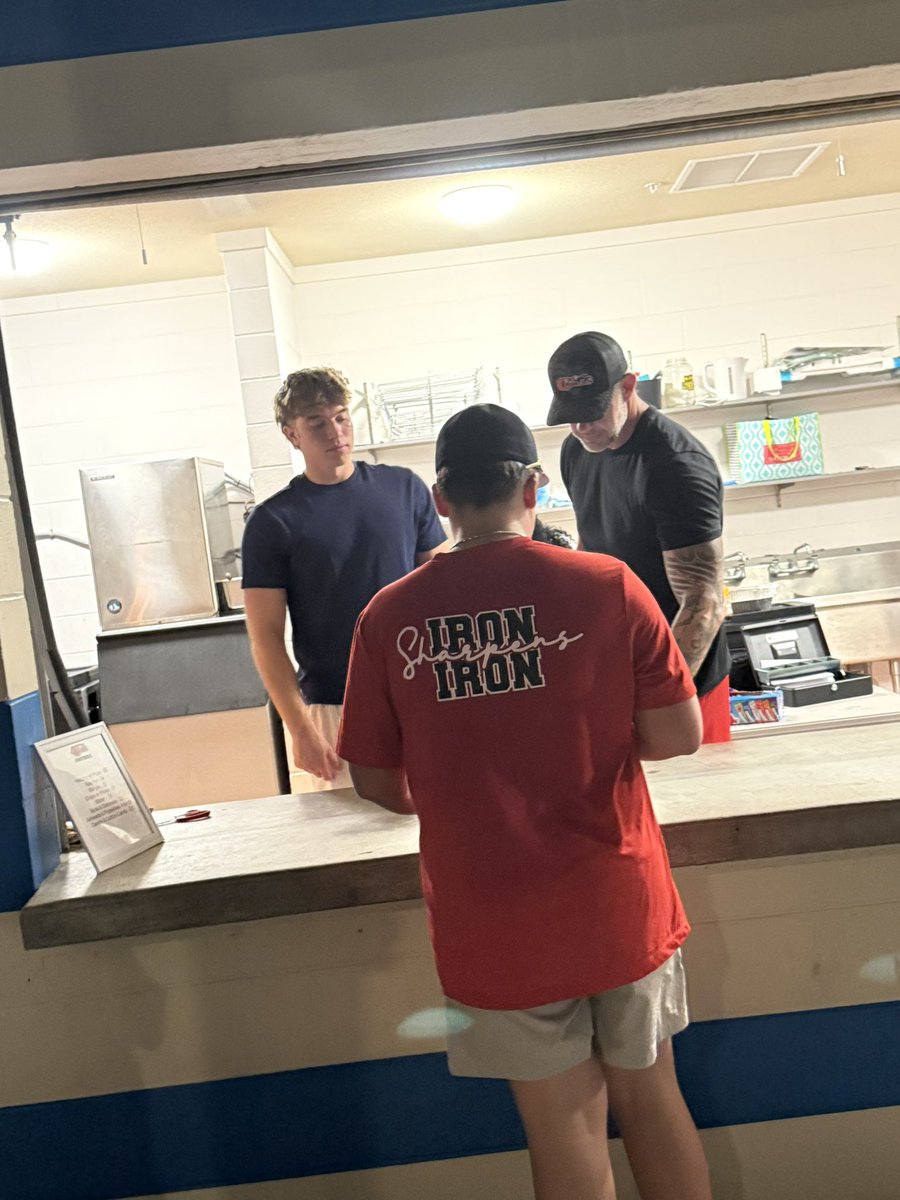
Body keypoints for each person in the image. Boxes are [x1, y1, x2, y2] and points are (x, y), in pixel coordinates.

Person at [337, 404, 712, 1200]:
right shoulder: (609, 585)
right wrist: (589, 745)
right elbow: (679, 734)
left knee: (563, 1129)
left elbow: (374, 778)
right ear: (537, 486)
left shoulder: (389, 616)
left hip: (494, 915)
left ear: (441, 500)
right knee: (653, 1103)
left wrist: (452, 781)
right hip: (617, 898)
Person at [241, 367, 446, 788]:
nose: (335, 431)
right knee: (353, 844)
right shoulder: (272, 521)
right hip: (335, 708)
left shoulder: (405, 489)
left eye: (341, 417)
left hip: (421, 695)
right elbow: (264, 638)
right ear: (291, 434)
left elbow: (442, 594)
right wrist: (299, 728)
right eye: (316, 423)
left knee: (434, 835)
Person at [546, 331, 730, 743]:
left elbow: (704, 603)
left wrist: (659, 700)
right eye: (569, 414)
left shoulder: (676, 465)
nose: (580, 426)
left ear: (628, 386)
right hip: (621, 674)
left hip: (686, 682)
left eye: (592, 410)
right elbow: (592, 550)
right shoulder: (577, 450)